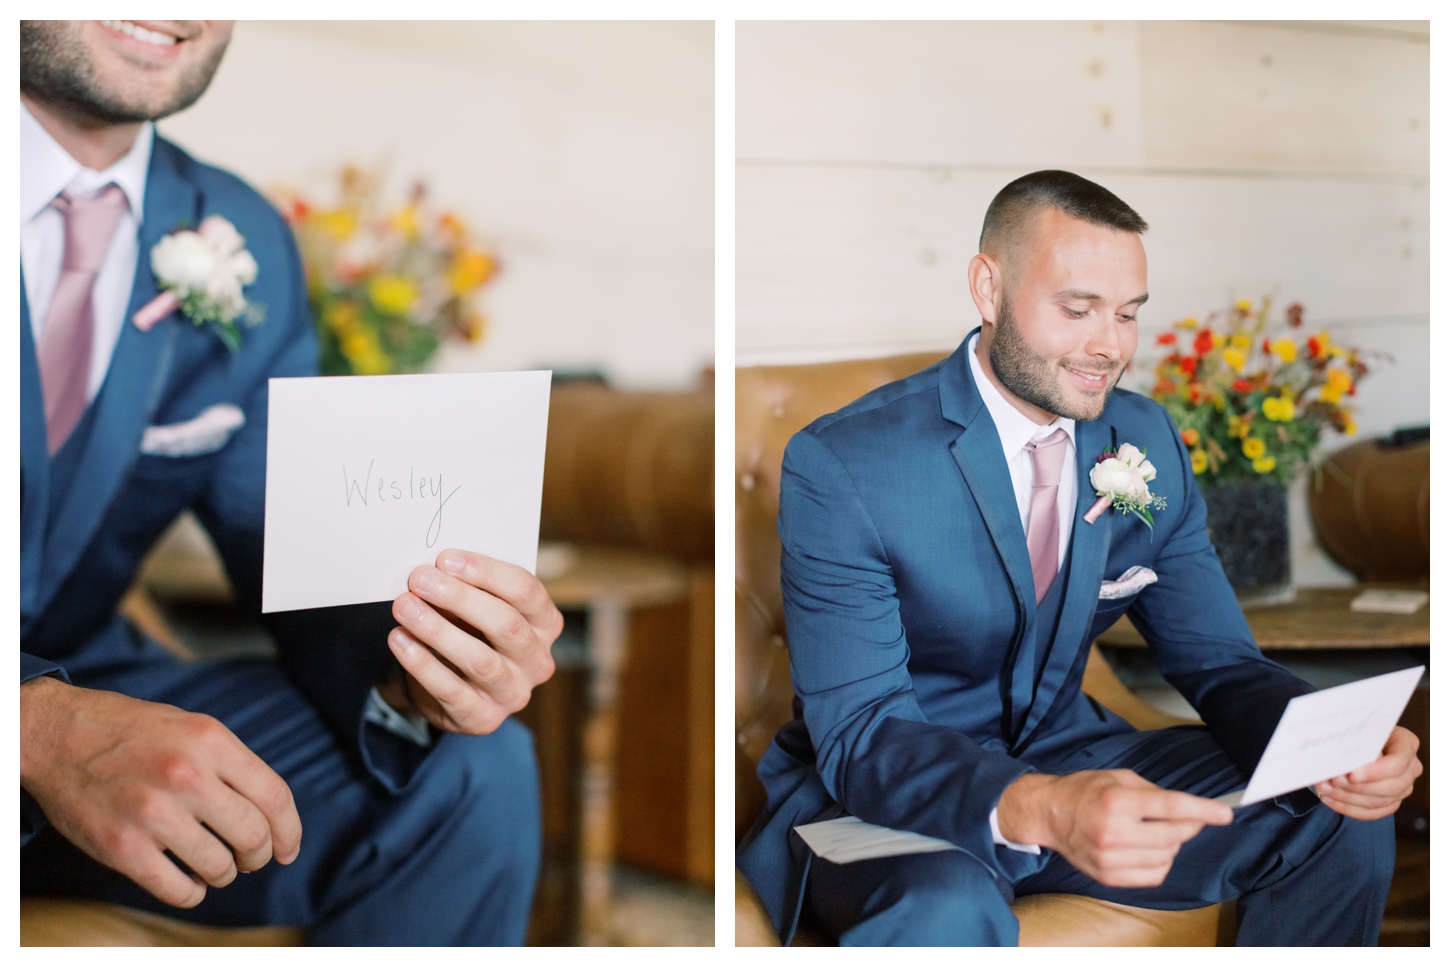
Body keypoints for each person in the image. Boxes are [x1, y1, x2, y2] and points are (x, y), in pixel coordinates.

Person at [735, 169, 1421, 946]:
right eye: (1078, 308)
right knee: (944, 910)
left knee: (1332, 811)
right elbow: (864, 732)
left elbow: (1220, 664)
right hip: (883, 797)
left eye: (1128, 313)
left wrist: (1331, 743)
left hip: (1075, 755)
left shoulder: (1147, 438)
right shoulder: (846, 462)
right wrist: (1039, 804)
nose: (1111, 345)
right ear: (988, 289)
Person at [20, 20, 559, 945]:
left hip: (88, 674)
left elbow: (298, 547)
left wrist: (419, 661)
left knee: (473, 769)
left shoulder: (244, 239)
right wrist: (36, 728)